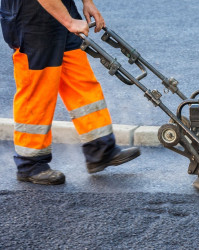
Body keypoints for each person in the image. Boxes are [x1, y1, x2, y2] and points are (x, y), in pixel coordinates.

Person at [0, 0, 141, 185]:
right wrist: (69, 21)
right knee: (37, 91)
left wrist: (87, 2)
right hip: (31, 17)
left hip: (60, 8)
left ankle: (101, 149)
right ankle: (30, 164)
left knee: (80, 80)